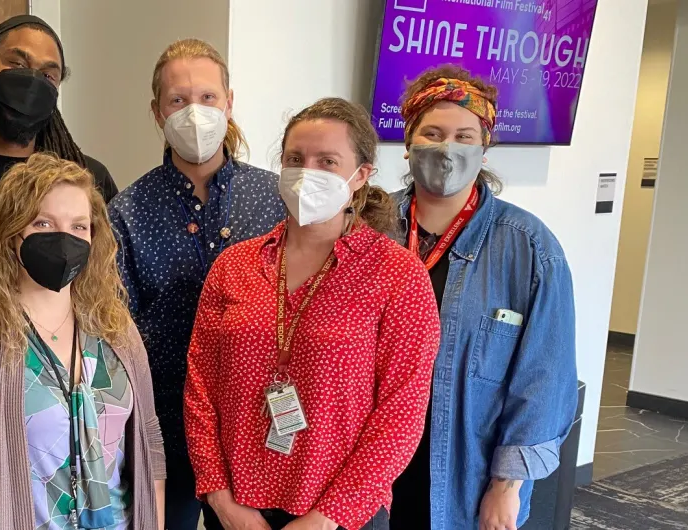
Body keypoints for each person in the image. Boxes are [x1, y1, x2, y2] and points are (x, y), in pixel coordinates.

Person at [184, 97, 441, 530]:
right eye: (296, 159)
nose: (308, 173)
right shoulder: (235, 265)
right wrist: (221, 498)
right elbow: (200, 387)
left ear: (360, 176)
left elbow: (402, 411)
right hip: (236, 509)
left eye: (328, 162)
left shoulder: (398, 275)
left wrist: (326, 519)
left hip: (341, 515)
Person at [0, 153, 166, 529]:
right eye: (43, 223)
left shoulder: (115, 328)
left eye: (79, 227)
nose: (64, 239)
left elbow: (149, 439)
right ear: (11, 232)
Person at [386, 65, 578, 530]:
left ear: (484, 146)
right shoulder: (369, 228)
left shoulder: (529, 248)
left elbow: (545, 378)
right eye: (432, 132)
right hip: (375, 467)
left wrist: (505, 487)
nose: (448, 147)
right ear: (408, 141)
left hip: (466, 478)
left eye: (464, 135)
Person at [107, 38, 286, 529]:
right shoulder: (128, 212)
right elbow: (115, 330)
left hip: (266, 426)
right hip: (168, 428)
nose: (195, 112)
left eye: (207, 98)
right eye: (178, 101)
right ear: (156, 112)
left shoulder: (276, 198)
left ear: (230, 102)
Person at [0, 14, 118, 245]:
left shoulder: (87, 177)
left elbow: (106, 269)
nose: (32, 82)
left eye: (47, 75)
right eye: (17, 64)